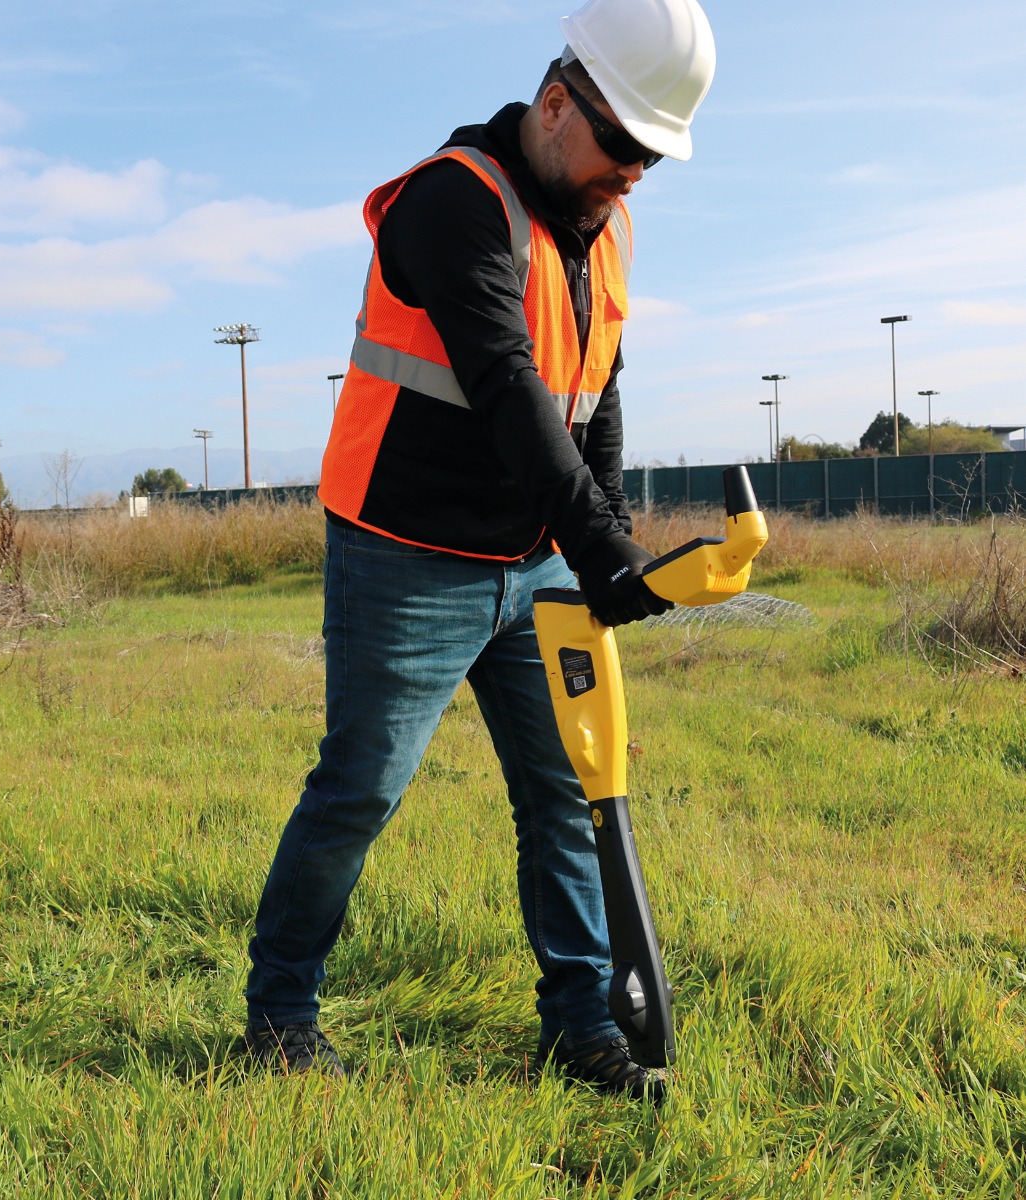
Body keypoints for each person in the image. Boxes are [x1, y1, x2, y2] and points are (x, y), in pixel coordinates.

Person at [241, 0, 716, 1099]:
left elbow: (590, 390)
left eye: (652, 156)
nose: (634, 174)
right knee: (359, 788)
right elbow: (506, 384)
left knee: (565, 794)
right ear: (555, 105)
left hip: (536, 563)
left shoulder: (605, 218)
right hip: (405, 555)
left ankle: (580, 1022)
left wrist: (605, 548)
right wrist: (597, 546)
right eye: (621, 146)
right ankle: (277, 1017)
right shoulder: (454, 203)